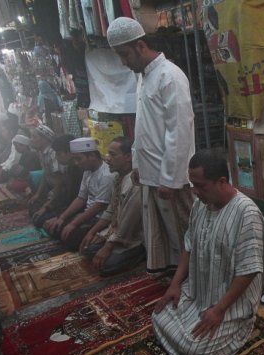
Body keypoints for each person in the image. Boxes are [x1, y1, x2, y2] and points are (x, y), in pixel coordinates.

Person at [152, 149, 264, 355]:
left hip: (231, 302)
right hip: (199, 292)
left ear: (221, 181)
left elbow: (249, 269)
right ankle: (186, 331)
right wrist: (175, 285)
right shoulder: (199, 206)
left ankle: (239, 325)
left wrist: (219, 310)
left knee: (198, 352)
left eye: (200, 185)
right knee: (158, 315)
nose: (194, 192)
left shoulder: (246, 213)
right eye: (192, 184)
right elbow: (189, 246)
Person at [107, 17, 195, 273]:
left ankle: (195, 280)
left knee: (185, 233)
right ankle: (177, 278)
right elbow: (143, 127)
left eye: (125, 55)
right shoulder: (143, 77)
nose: (124, 62)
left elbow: (179, 130)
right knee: (166, 234)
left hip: (172, 178)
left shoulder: (170, 76)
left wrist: (170, 178)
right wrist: (137, 164)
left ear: (140, 45)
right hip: (151, 173)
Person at [80, 136, 146, 276]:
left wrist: (108, 246)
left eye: (113, 154)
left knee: (106, 266)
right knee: (88, 248)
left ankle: (141, 254)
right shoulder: (118, 177)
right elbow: (111, 210)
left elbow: (128, 223)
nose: (107, 158)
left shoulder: (135, 183)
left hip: (133, 237)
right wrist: (92, 232)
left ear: (128, 157)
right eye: (108, 153)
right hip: (116, 231)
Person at [43, 137, 114, 250]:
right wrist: (62, 218)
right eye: (75, 159)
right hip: (87, 214)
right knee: (53, 226)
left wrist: (73, 223)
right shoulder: (87, 170)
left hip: (100, 219)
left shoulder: (107, 175)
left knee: (71, 238)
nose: (76, 163)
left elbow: (98, 207)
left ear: (92, 156)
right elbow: (81, 198)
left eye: (79, 159)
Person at [29, 131, 82, 228]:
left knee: (43, 221)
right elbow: (61, 195)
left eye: (58, 153)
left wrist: (60, 217)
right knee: (37, 214)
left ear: (69, 153)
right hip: (64, 205)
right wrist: (46, 208)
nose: (56, 157)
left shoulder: (79, 171)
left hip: (74, 209)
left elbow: (76, 200)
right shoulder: (70, 168)